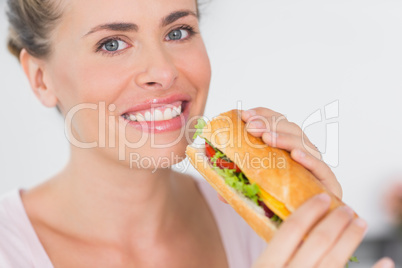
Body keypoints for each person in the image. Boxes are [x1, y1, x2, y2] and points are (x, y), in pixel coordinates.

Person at [0, 0, 394, 267]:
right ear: (40, 78)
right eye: (112, 43)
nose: (164, 71)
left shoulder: (259, 228)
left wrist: (314, 228)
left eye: (178, 32)